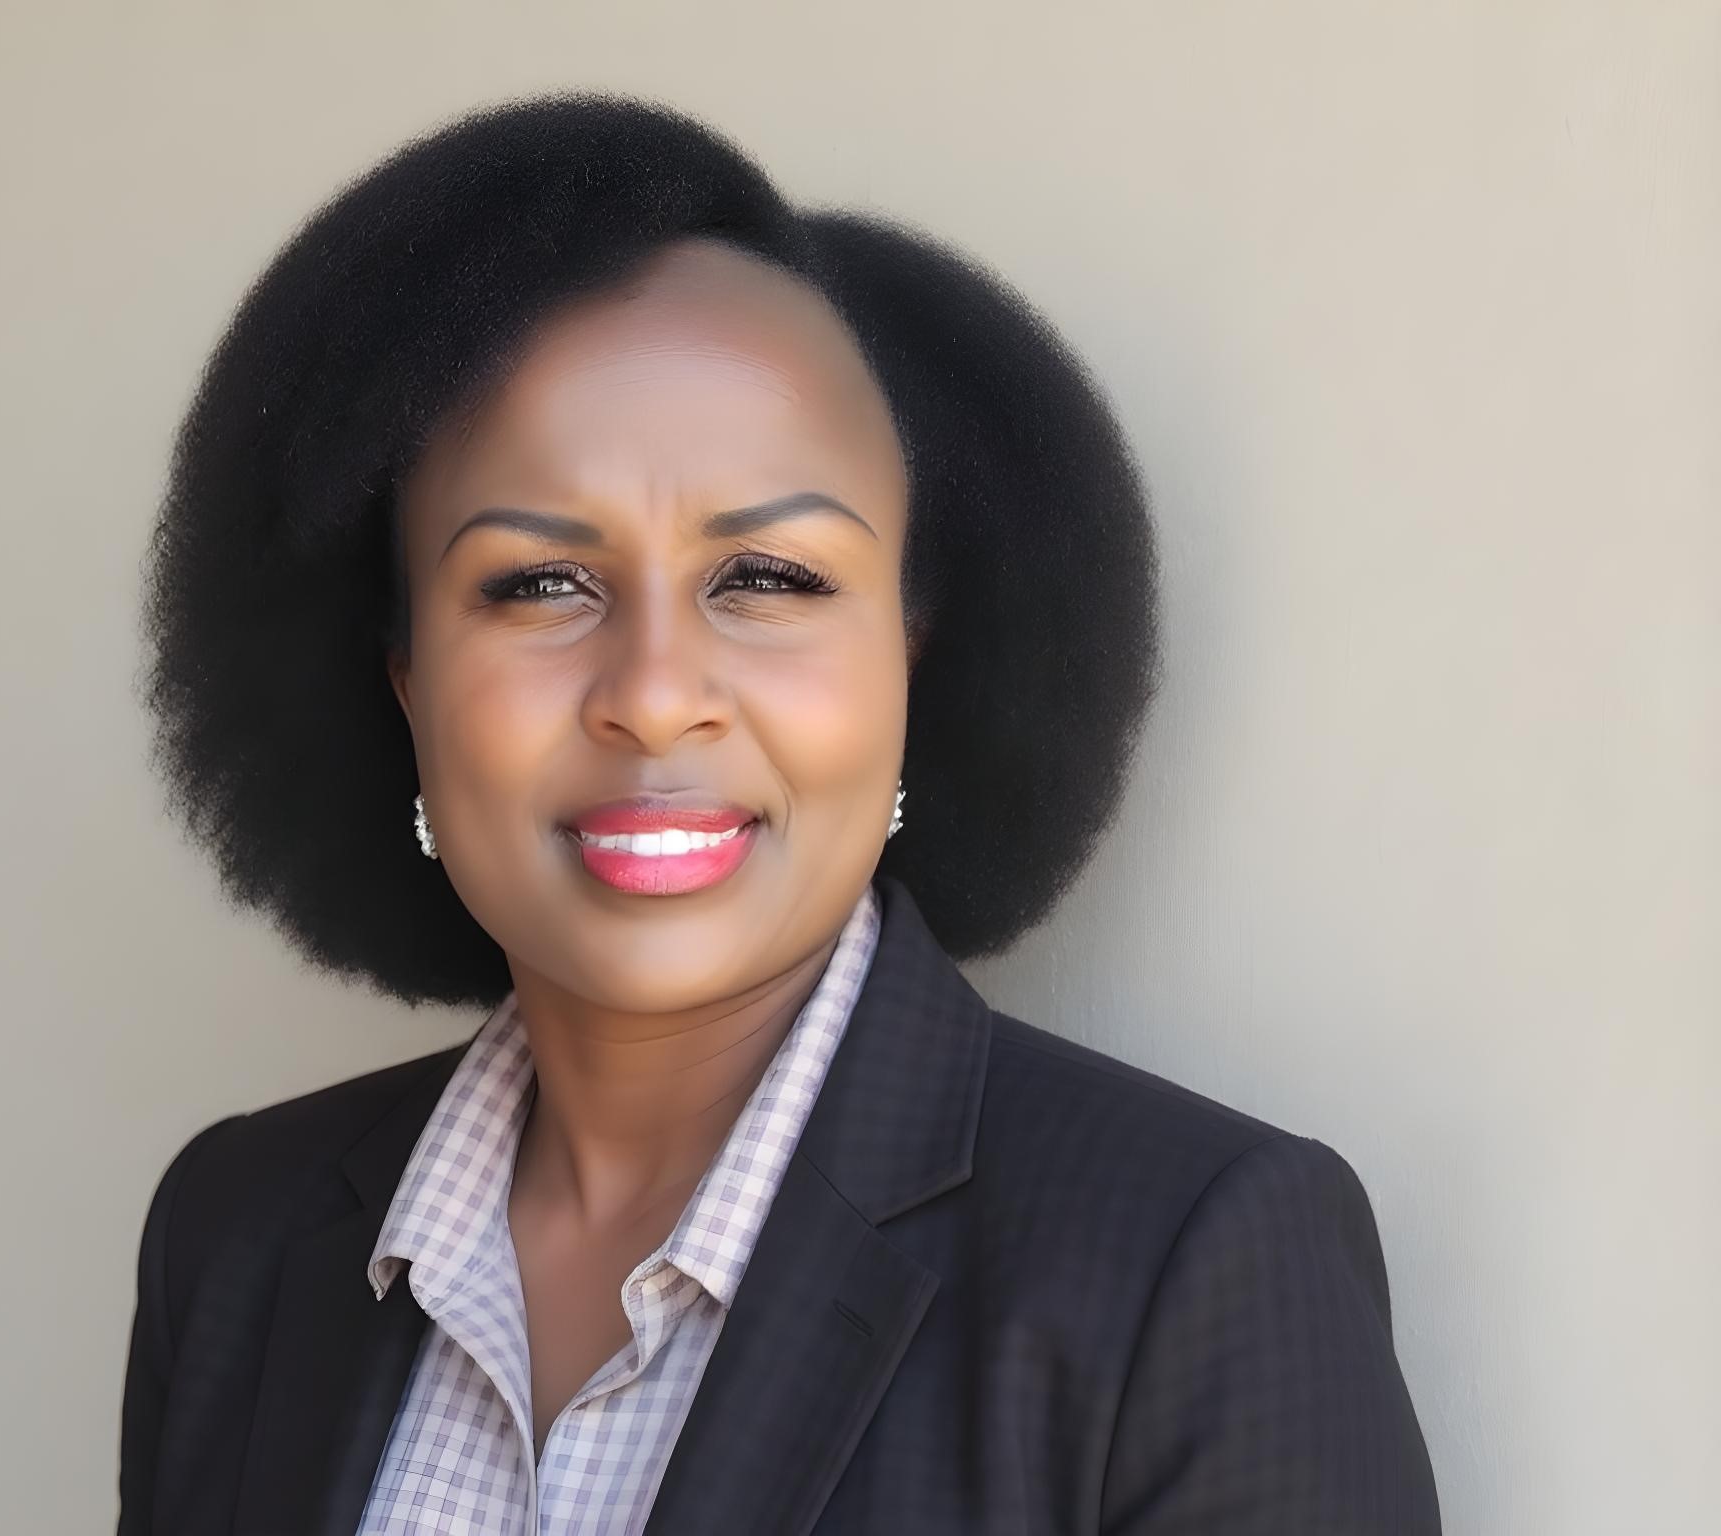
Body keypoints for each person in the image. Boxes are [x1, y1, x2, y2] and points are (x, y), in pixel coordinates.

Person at [120, 90, 1441, 1535]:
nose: (654, 694)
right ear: (405, 681)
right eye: (538, 583)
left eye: (769, 580)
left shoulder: (1191, 1269)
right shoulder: (234, 1241)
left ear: (915, 659)